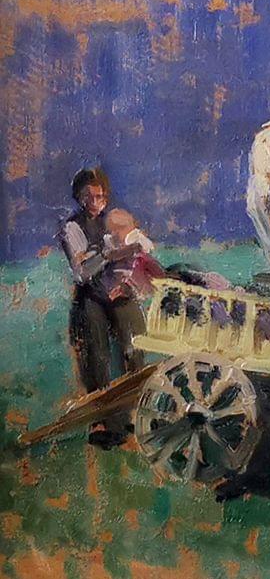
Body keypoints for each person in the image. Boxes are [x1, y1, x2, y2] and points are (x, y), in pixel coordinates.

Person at [59, 168, 147, 449]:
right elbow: (82, 272)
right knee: (96, 352)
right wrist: (107, 255)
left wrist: (128, 281)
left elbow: (136, 256)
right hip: (91, 295)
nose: (95, 202)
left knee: (134, 339)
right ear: (79, 197)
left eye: (99, 197)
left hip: (116, 292)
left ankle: (132, 411)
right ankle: (101, 421)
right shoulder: (72, 228)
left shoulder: (114, 222)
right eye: (89, 197)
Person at [101, 208, 164, 301]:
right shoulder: (110, 240)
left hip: (137, 268)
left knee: (149, 268)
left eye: (120, 229)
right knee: (118, 280)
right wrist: (126, 250)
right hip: (119, 271)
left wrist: (140, 248)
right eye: (113, 230)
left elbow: (148, 248)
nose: (116, 233)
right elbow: (109, 255)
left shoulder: (136, 237)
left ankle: (159, 283)